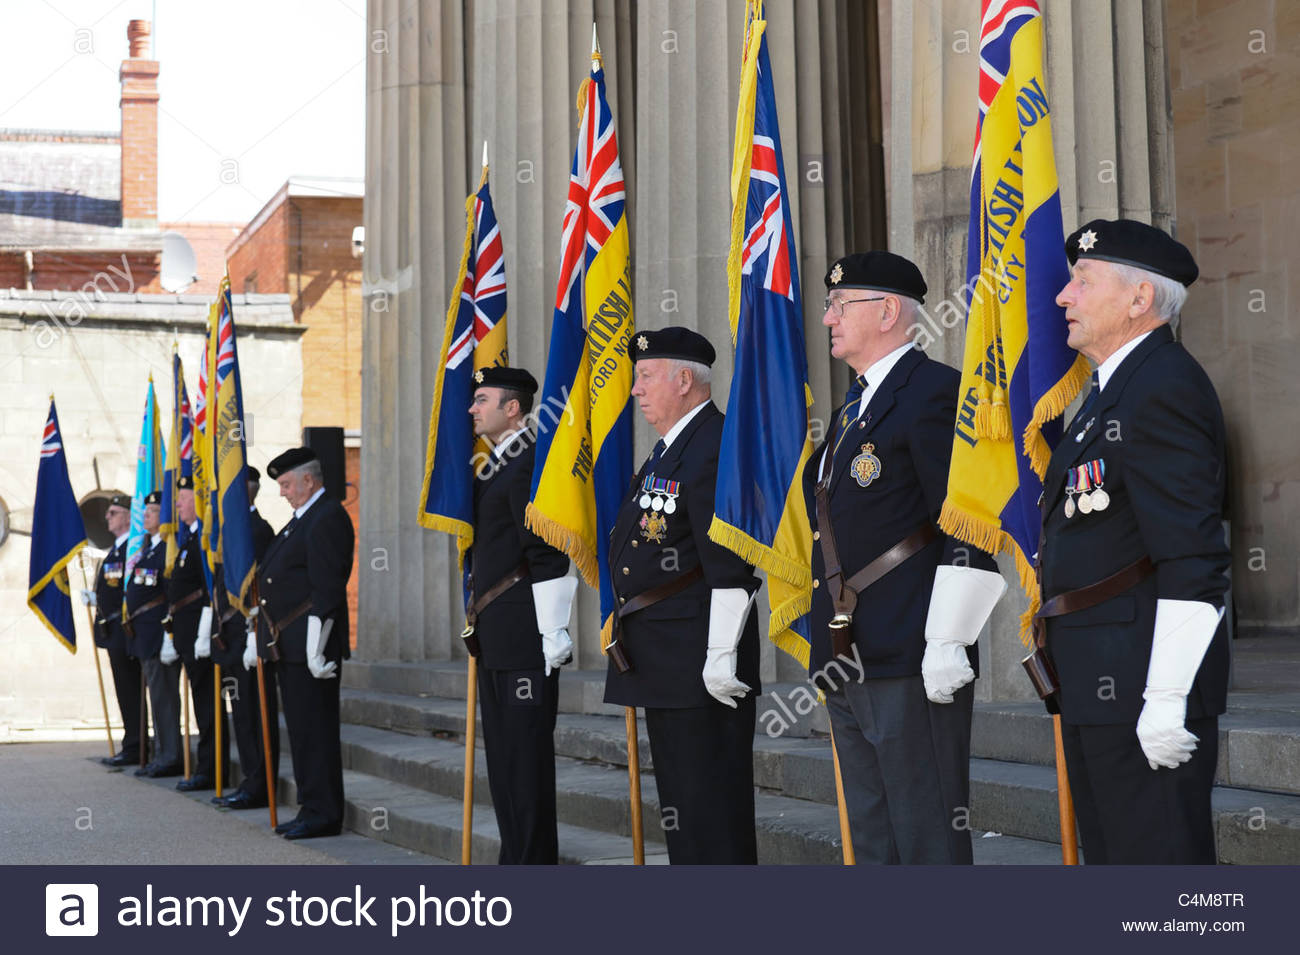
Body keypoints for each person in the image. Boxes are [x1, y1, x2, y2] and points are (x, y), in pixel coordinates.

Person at [804, 251, 1005, 864]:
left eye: (841, 305)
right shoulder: (850, 409)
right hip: (850, 650)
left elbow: (966, 522)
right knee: (872, 831)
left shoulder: (934, 394)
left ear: (888, 311)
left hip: (911, 648)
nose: (828, 318)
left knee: (926, 831)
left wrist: (948, 639)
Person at [1039, 218, 1229, 864]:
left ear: (1138, 299)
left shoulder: (1163, 386)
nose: (1063, 297)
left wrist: (1168, 696)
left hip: (1142, 688)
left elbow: (1194, 556)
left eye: (1082, 281)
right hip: (1101, 686)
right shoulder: (1106, 395)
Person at [603, 326, 761, 864]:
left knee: (708, 807)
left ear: (685, 379)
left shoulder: (711, 445)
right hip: (665, 657)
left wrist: (721, 655)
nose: (636, 389)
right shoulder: (669, 452)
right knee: (683, 806)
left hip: (697, 659)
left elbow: (729, 563)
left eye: (646, 376)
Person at [464, 366, 575, 864]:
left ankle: (532, 864)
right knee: (505, 759)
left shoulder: (528, 462)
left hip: (524, 636)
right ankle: (516, 859)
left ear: (513, 408)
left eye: (482, 399)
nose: (472, 408)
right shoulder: (495, 466)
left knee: (525, 761)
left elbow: (546, 550)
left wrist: (553, 628)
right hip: (497, 634)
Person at [257, 447, 355, 839]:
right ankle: (311, 806)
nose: (282, 492)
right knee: (301, 731)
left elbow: (327, 586)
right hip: (292, 645)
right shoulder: (301, 521)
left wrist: (318, 643)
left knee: (317, 732)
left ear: (308, 480)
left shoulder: (327, 517)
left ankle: (324, 813)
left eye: (285, 484)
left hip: (313, 645)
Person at [211, 466, 277, 810]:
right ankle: (249, 780)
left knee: (252, 713)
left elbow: (260, 585)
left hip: (248, 633)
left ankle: (259, 784)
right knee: (240, 712)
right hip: (229, 635)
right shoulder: (232, 531)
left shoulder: (257, 530)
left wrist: (254, 629)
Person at [166, 475, 223, 791]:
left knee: (207, 704)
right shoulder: (188, 539)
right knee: (200, 704)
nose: (177, 504)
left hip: (203, 633)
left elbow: (208, 589)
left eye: (183, 498)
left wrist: (204, 630)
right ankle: (205, 766)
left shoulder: (203, 537)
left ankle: (211, 769)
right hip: (187, 634)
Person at [124, 490, 183, 778]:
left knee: (165, 697)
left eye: (153, 511)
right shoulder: (149, 548)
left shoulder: (167, 549)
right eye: (145, 511)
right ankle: (161, 753)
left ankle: (171, 756)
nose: (145, 515)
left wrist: (169, 637)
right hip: (144, 635)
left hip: (159, 634)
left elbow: (170, 594)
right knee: (157, 698)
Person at [81, 493, 143, 768]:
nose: (107, 517)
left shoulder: (132, 549)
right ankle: (131, 743)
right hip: (113, 631)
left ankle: (138, 745)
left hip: (125, 630)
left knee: (132, 690)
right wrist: (96, 600)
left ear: (129, 517)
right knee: (124, 689)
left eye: (113, 513)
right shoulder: (115, 550)